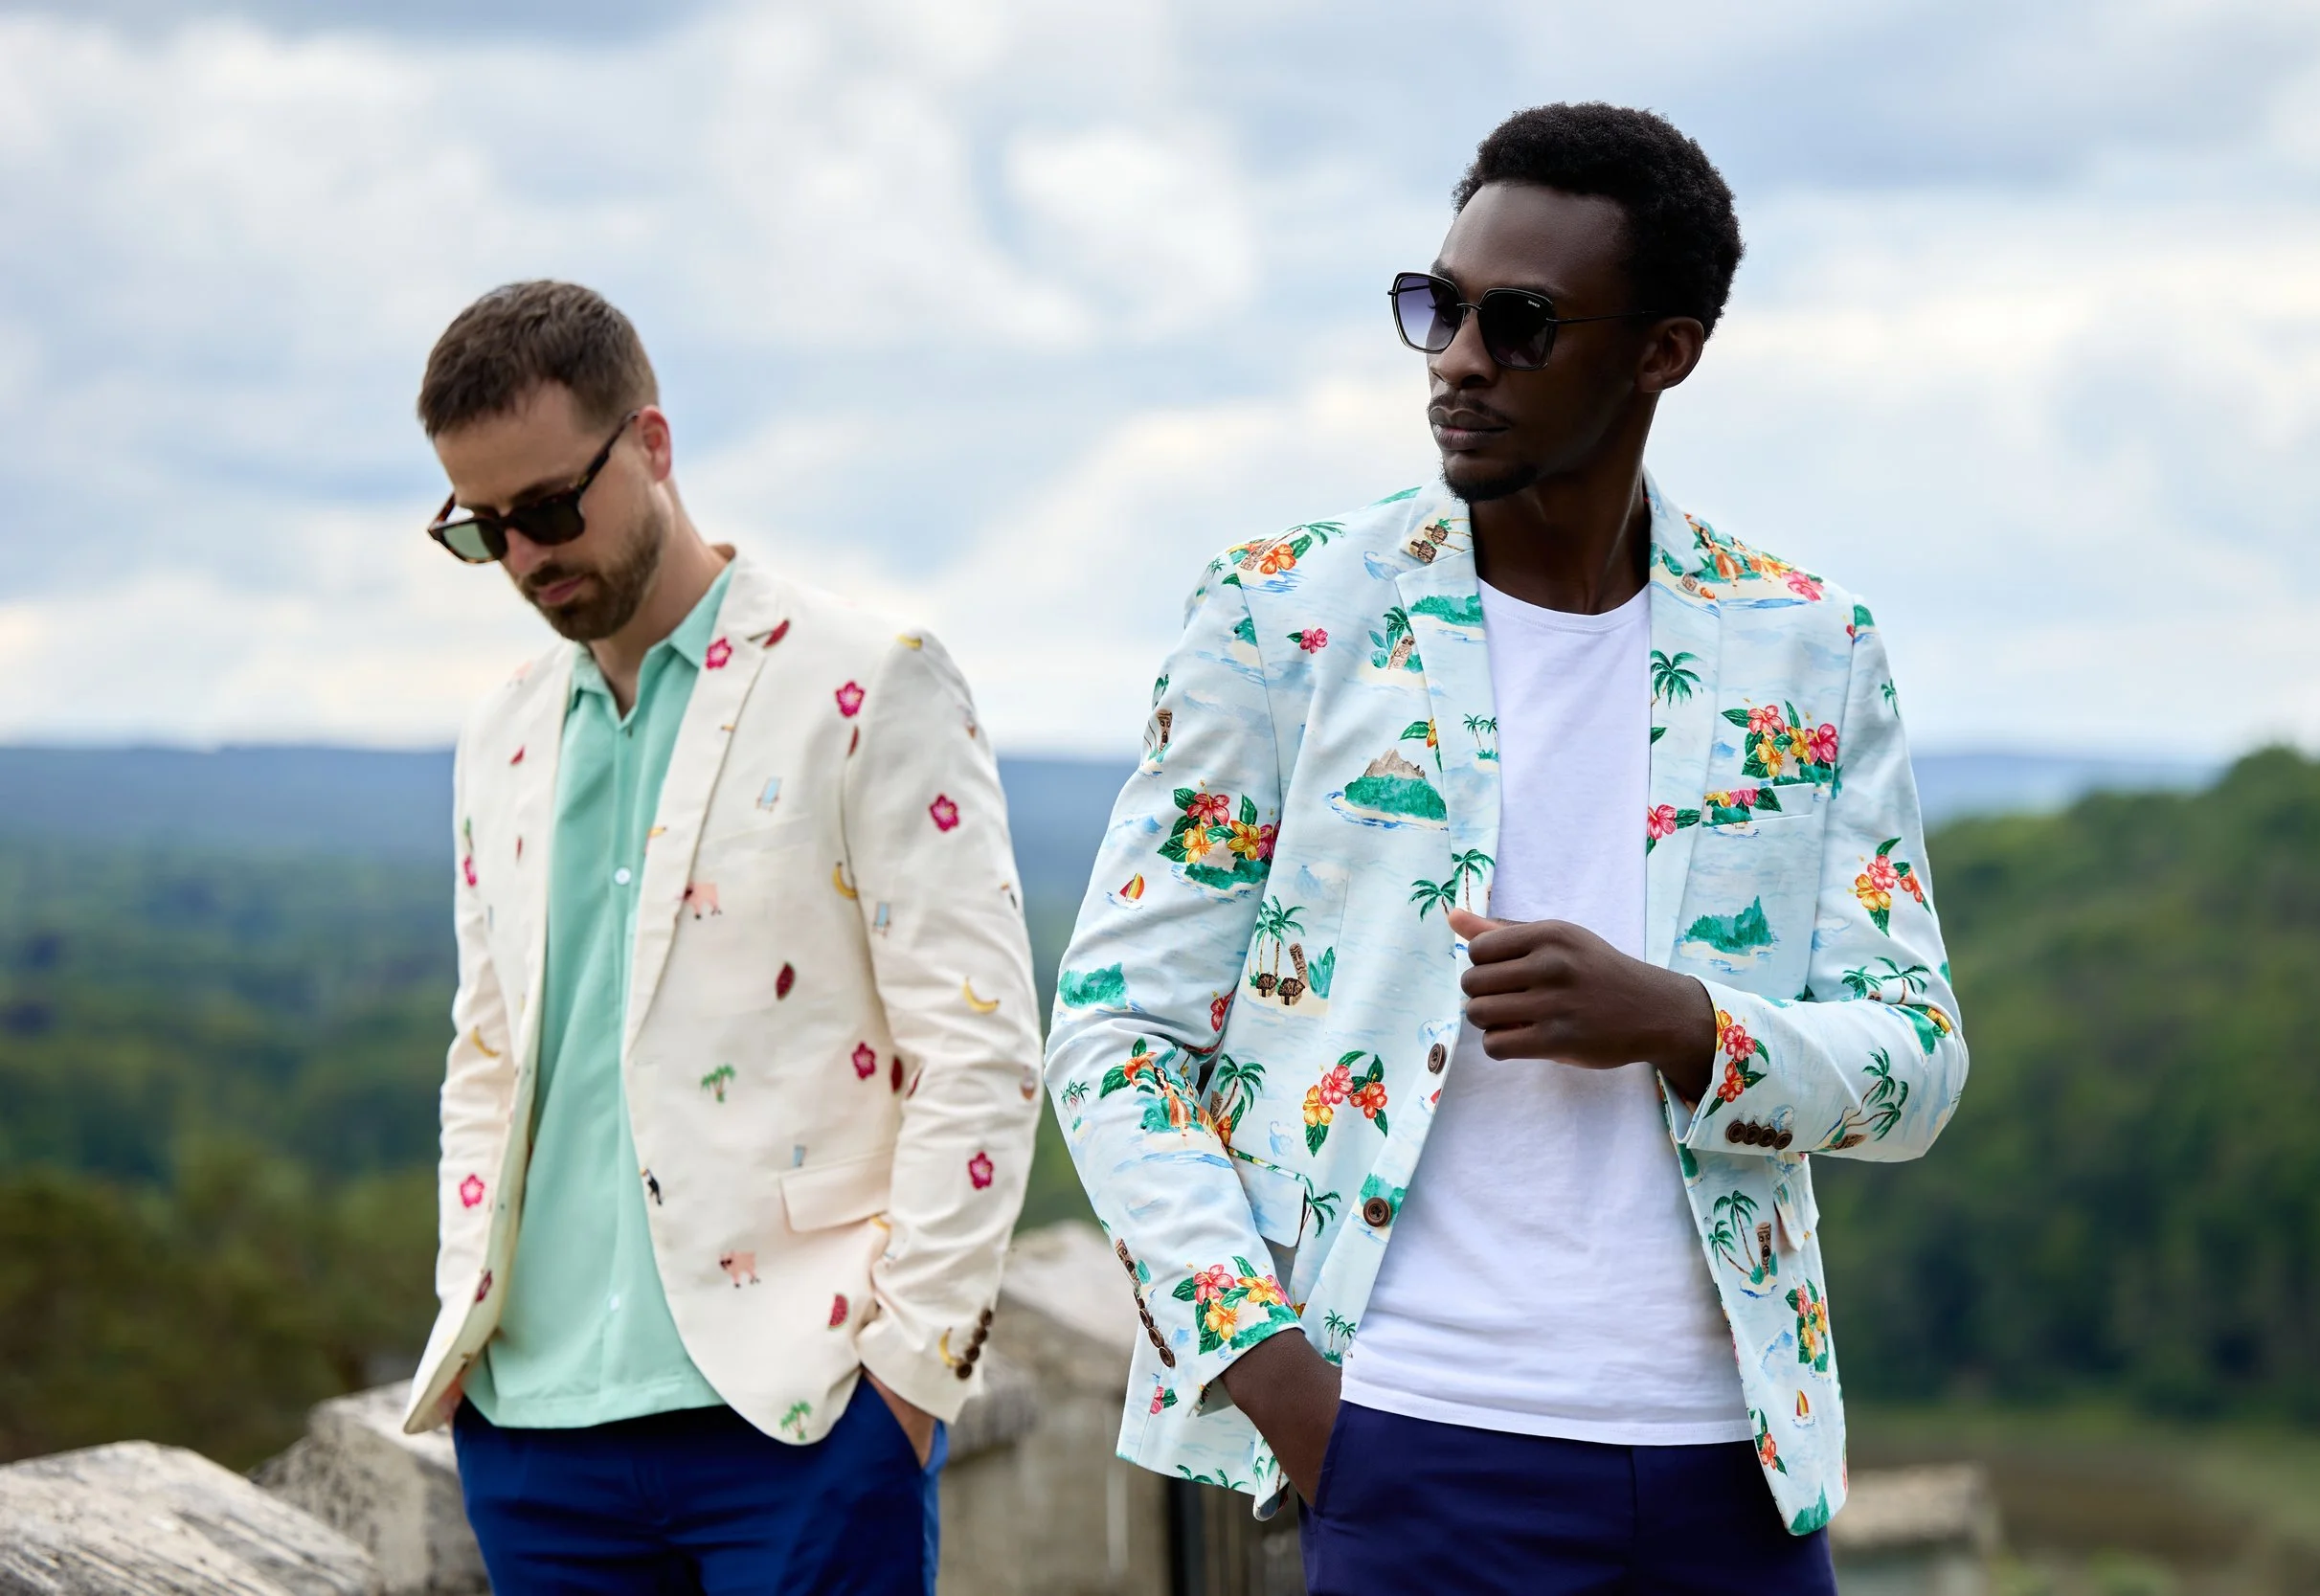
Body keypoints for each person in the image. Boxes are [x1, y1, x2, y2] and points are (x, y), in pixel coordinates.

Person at [1046, 103, 1967, 1593]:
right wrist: (1276, 1376)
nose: (1457, 361)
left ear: (1665, 350)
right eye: (1438, 307)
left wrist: (1682, 1022)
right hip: (1409, 1440)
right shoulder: (1287, 616)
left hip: (1737, 1468)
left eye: (1519, 324)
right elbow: (1114, 1034)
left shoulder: (1810, 648)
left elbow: (1918, 1061)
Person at [397, 281, 1041, 1595]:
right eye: (484, 530)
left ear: (652, 445)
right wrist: (467, 1341)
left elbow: (978, 1050)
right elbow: (489, 1052)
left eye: (549, 509)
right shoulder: (501, 735)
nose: (525, 558)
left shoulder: (871, 681)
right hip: (534, 1441)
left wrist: (906, 1382)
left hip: (800, 1421)